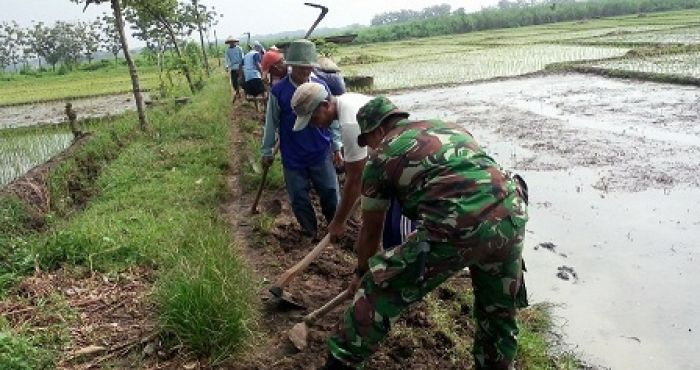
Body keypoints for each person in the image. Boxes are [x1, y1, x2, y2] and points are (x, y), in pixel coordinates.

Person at [321, 96, 530, 370]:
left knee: (380, 289)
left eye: (368, 141)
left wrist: (362, 273)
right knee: (498, 313)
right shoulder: (450, 127)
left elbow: (371, 231)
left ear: (378, 131)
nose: (370, 149)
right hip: (511, 212)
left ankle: (340, 362)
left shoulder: (382, 155)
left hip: (457, 223)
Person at [290, 82, 415, 250]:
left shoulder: (350, 123)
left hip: (406, 171)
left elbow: (355, 179)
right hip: (394, 166)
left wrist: (338, 222)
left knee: (401, 234)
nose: (314, 125)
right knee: (391, 231)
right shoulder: (345, 101)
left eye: (313, 118)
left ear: (326, 105)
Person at [260, 39, 342, 238]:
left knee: (331, 193)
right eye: (300, 68)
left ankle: (336, 231)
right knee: (298, 198)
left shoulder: (321, 87)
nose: (304, 73)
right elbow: (271, 122)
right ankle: (310, 233)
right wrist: (267, 150)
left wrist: (336, 146)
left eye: (308, 68)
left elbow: (332, 119)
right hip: (293, 154)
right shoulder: (279, 92)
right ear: (290, 67)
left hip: (320, 150)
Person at [224, 36, 244, 102]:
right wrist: (227, 66)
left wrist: (241, 65)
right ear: (229, 43)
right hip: (233, 67)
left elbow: (242, 57)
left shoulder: (239, 48)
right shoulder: (228, 50)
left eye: (232, 42)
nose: (231, 43)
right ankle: (237, 93)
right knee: (234, 82)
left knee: (241, 81)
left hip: (240, 66)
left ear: (234, 42)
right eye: (230, 42)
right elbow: (226, 59)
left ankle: (243, 92)